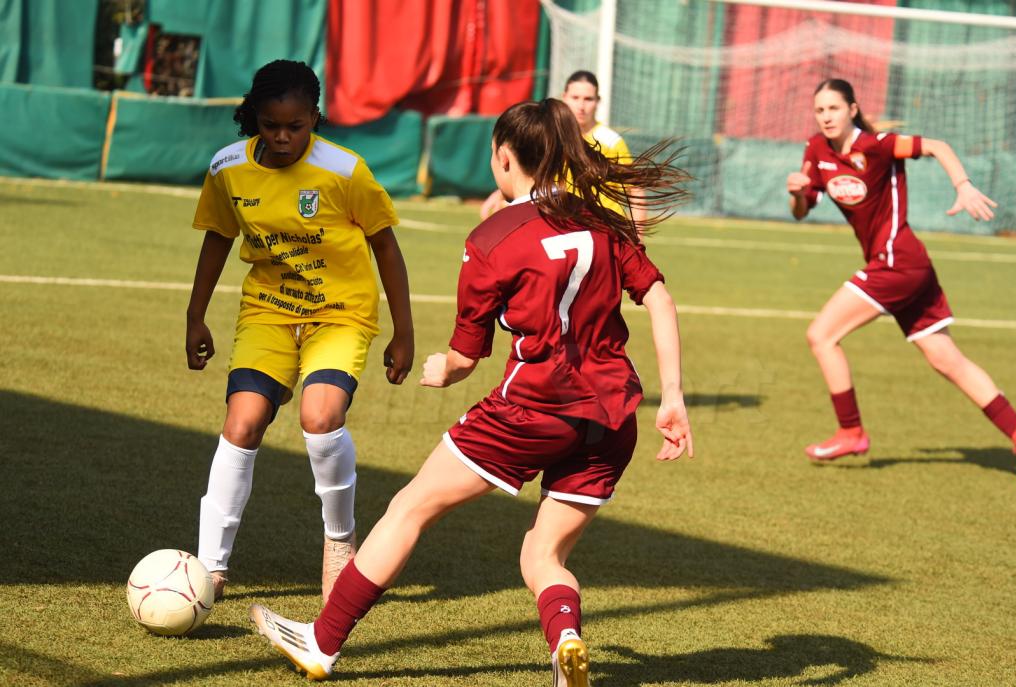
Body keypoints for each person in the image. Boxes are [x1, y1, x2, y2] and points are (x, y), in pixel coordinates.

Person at [249, 97, 694, 684]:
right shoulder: (601, 220)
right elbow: (659, 299)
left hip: (532, 409)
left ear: (504, 157)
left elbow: (466, 355)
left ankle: (321, 642)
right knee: (543, 554)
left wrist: (443, 369)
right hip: (613, 418)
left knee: (410, 508)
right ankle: (565, 641)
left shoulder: (493, 237)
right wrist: (673, 397)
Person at [186, 59, 415, 603]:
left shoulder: (344, 170)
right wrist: (195, 316)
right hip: (267, 312)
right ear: (254, 118)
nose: (284, 137)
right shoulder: (227, 168)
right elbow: (217, 238)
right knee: (242, 424)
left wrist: (403, 332)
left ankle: (339, 544)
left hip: (340, 314)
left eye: (296, 125)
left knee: (321, 417)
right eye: (271, 125)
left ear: (315, 116)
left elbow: (385, 245)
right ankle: (209, 568)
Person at [786, 77, 1016, 482]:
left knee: (821, 335)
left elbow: (937, 146)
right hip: (906, 265)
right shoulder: (816, 149)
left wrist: (963, 186)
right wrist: (796, 193)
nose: (826, 117)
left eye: (834, 108)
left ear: (852, 109)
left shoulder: (878, 145)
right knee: (946, 359)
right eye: (820, 110)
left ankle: (851, 432)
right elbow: (801, 211)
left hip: (897, 262)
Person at [480, 70, 645, 225]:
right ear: (564, 97)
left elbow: (634, 190)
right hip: (567, 224)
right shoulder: (553, 137)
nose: (581, 105)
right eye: (575, 97)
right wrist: (501, 192)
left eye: (588, 99)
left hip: (605, 226)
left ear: (598, 101)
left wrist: (637, 237)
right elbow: (531, 171)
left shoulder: (611, 141)